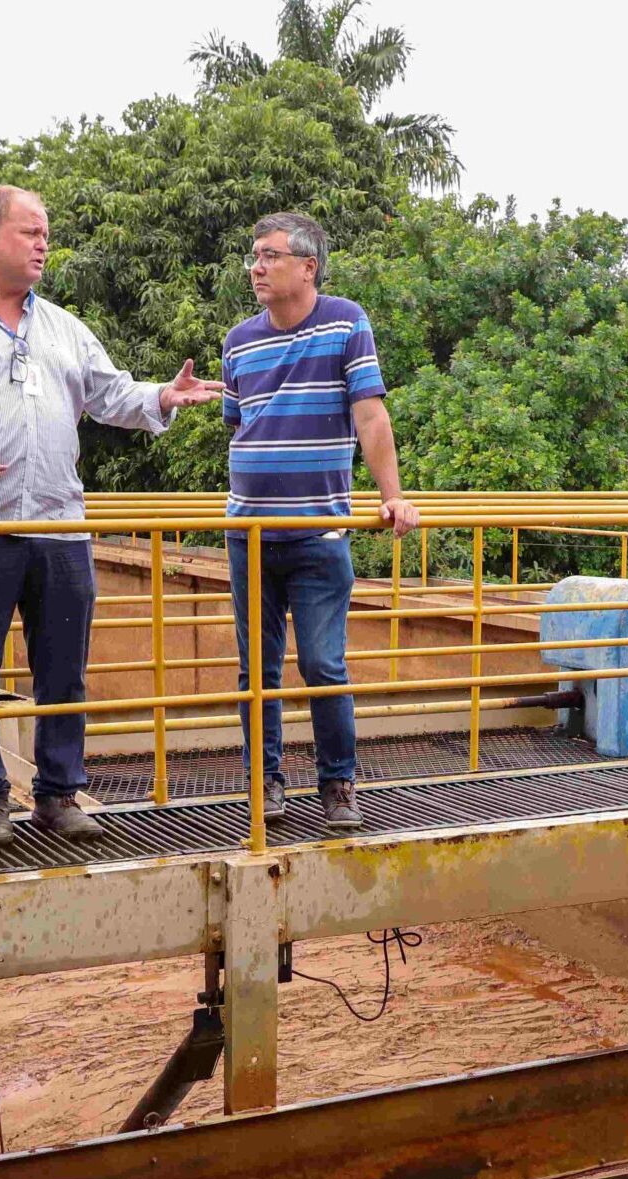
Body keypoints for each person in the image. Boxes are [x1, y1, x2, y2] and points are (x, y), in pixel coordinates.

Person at [0, 184, 222, 846]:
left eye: (45, 234)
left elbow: (110, 393)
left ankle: (58, 794)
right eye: (30, 232)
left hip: (60, 526)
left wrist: (163, 396)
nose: (43, 244)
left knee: (63, 668)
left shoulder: (62, 325)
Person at [222, 213, 419, 832]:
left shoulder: (344, 322)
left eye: (270, 256)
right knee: (257, 669)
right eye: (254, 257)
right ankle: (267, 783)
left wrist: (392, 496)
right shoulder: (238, 341)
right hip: (248, 532)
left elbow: (370, 417)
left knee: (323, 664)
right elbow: (240, 423)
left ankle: (338, 784)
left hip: (318, 533)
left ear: (307, 267)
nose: (256, 267)